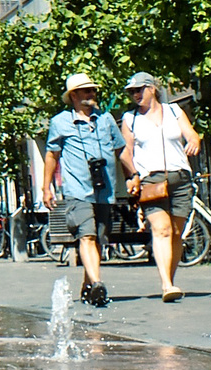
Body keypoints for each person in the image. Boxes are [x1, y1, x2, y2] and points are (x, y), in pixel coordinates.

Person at [43, 73, 138, 309]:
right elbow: (52, 155)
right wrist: (47, 188)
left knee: (98, 240)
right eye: (86, 91)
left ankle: (88, 286)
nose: (91, 94)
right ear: (73, 96)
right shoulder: (60, 122)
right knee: (87, 235)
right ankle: (97, 283)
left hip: (104, 191)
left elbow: (121, 151)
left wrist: (133, 175)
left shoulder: (105, 120)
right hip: (77, 191)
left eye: (93, 90)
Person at [120, 72, 202, 303]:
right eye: (132, 92)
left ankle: (170, 280)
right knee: (162, 229)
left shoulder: (175, 111)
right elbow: (127, 153)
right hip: (150, 181)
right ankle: (167, 284)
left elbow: (191, 134)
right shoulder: (130, 118)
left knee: (176, 233)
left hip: (180, 177)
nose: (135, 95)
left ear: (152, 89)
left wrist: (194, 141)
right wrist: (132, 176)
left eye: (139, 90)